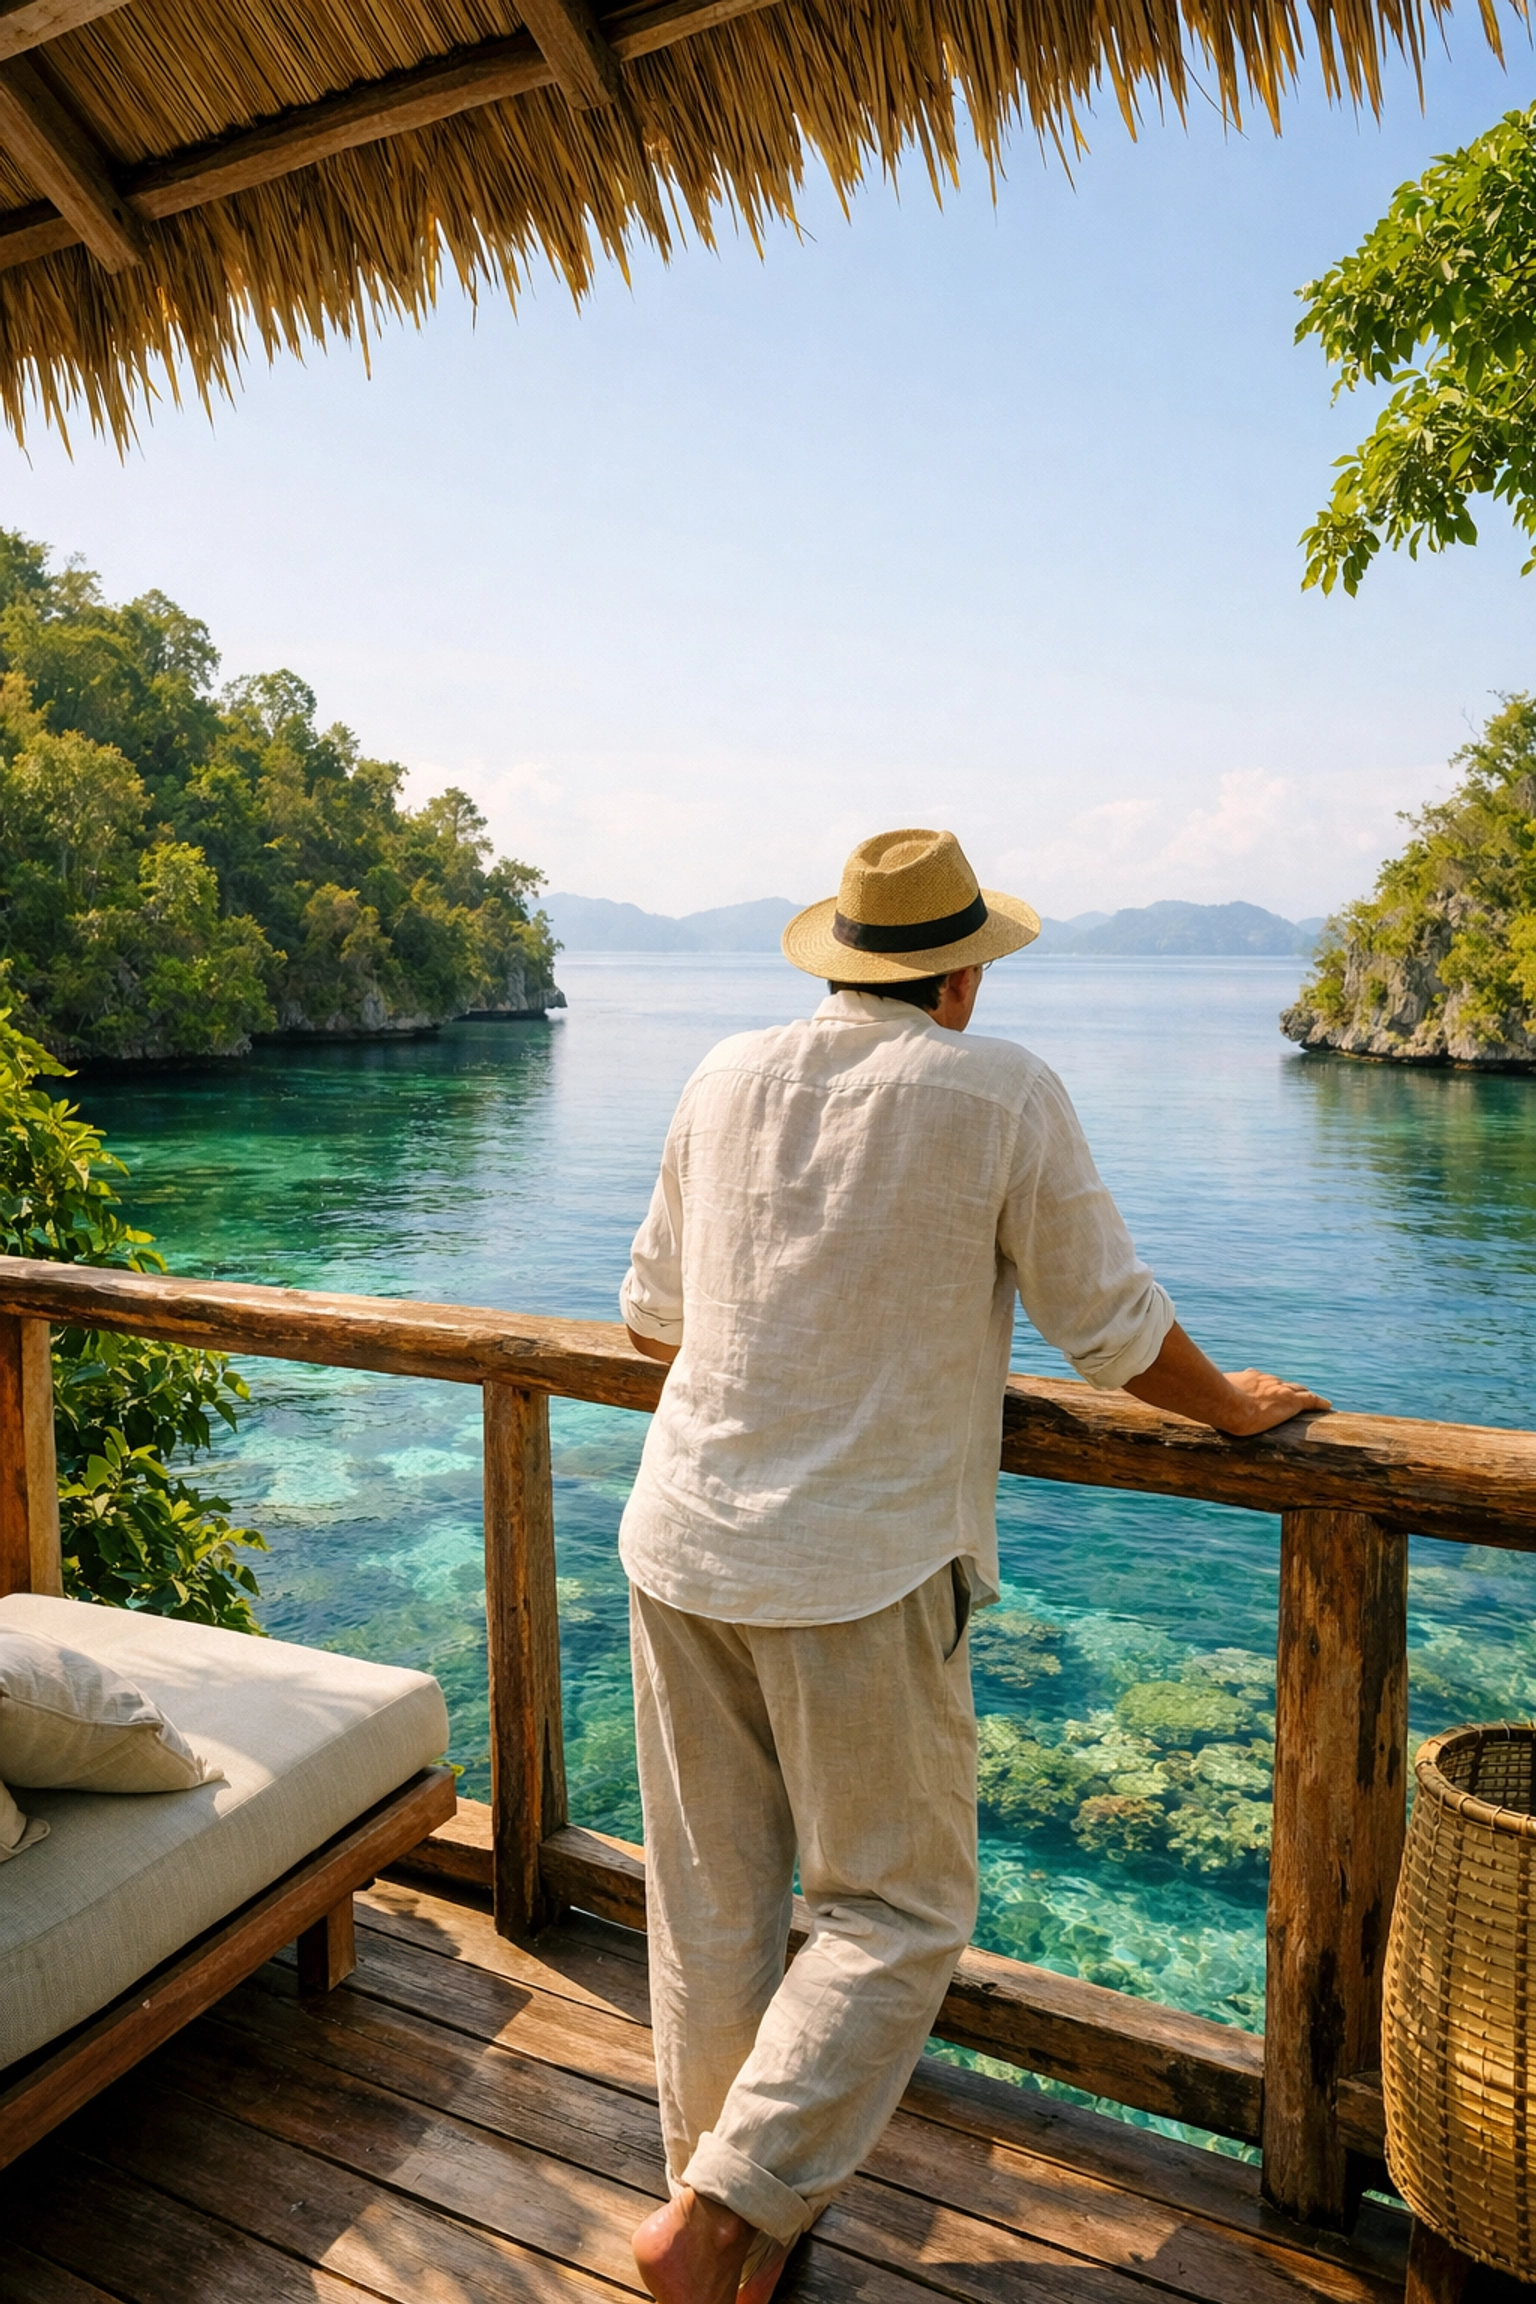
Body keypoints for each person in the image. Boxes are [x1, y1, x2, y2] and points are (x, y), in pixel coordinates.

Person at [617, 828, 1329, 2304]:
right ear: (959, 976)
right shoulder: (997, 1091)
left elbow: (649, 1320)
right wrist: (1241, 1411)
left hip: (680, 1535)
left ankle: (731, 2240)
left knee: (711, 1904)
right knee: (901, 1912)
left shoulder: (722, 1073)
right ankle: (724, 2214)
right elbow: (1115, 1334)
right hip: (859, 1562)